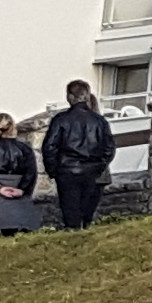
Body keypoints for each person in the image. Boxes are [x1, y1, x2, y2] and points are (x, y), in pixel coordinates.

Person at [43, 80, 117, 230]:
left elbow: (50, 147)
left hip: (67, 171)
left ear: (70, 97)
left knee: (71, 214)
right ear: (86, 96)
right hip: (92, 170)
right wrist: (100, 165)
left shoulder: (61, 119)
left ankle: (73, 239)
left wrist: (53, 170)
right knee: (86, 213)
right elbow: (109, 147)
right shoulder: (99, 121)